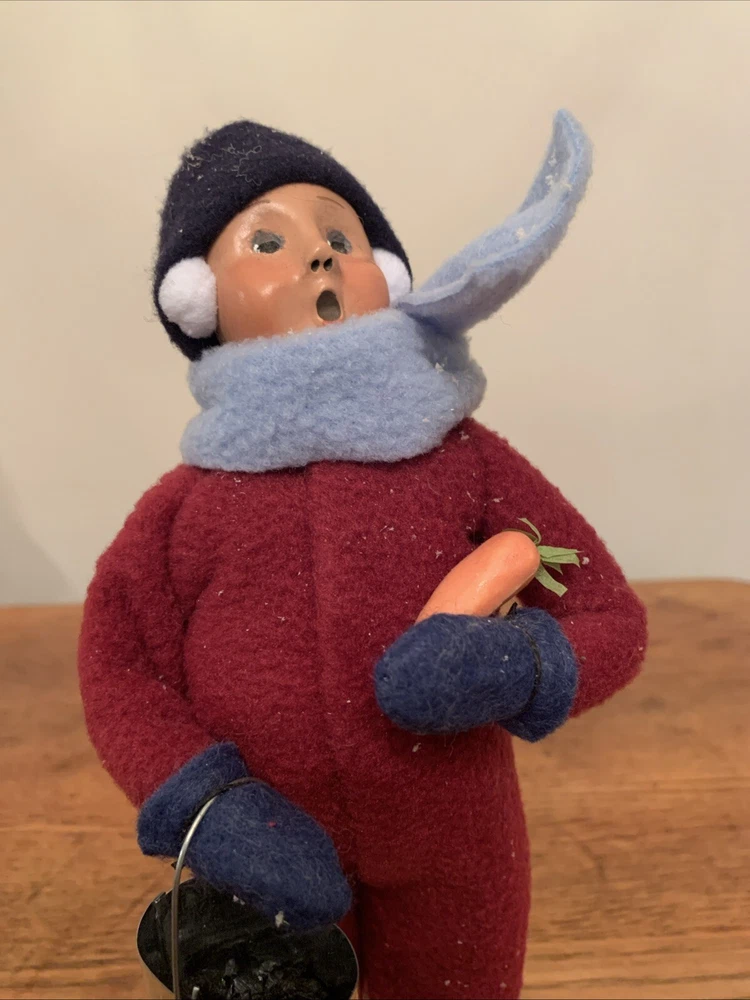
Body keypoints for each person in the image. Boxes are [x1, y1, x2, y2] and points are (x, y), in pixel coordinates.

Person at [78, 112, 647, 1000]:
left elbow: (609, 616)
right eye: (268, 242)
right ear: (199, 299)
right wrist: (209, 806)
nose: (318, 255)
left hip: (457, 840)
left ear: (387, 275)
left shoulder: (464, 458)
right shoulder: (182, 511)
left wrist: (518, 662)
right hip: (270, 865)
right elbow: (119, 666)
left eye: (341, 238)